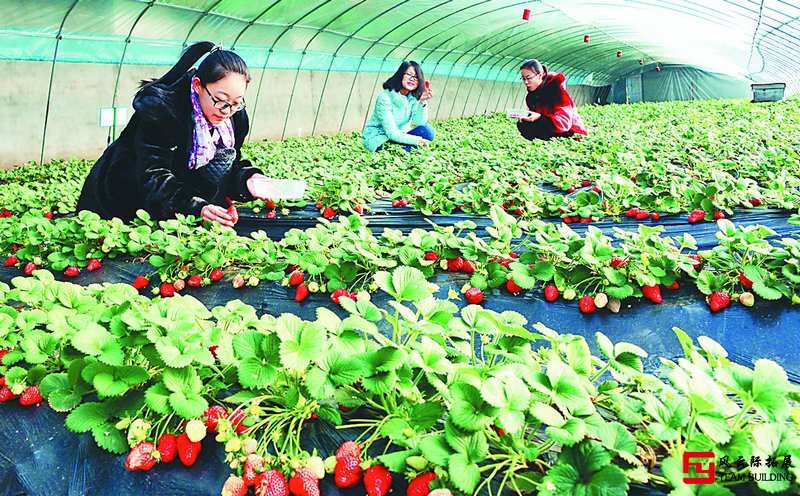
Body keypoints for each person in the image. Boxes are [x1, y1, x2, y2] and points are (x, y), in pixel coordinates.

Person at [77, 42, 276, 227]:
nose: (226, 110)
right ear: (198, 85)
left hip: (175, 204)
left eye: (236, 102)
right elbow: (153, 176)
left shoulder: (235, 118)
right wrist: (196, 206)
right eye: (220, 99)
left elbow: (225, 167)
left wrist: (248, 179)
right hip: (122, 200)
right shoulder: (162, 111)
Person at [362, 61, 435, 152]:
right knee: (403, 150)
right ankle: (405, 149)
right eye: (409, 74)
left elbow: (419, 122)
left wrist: (422, 102)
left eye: (416, 77)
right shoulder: (384, 98)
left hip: (401, 136)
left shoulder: (412, 97)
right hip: (380, 138)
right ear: (400, 75)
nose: (412, 79)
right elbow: (392, 133)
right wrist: (418, 141)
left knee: (428, 131)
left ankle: (406, 149)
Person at [516, 59, 587, 141]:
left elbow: (564, 123)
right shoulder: (531, 97)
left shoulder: (557, 92)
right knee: (524, 125)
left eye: (529, 78)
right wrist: (527, 117)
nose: (526, 82)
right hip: (555, 134)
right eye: (523, 79)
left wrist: (539, 117)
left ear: (540, 75)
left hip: (572, 135)